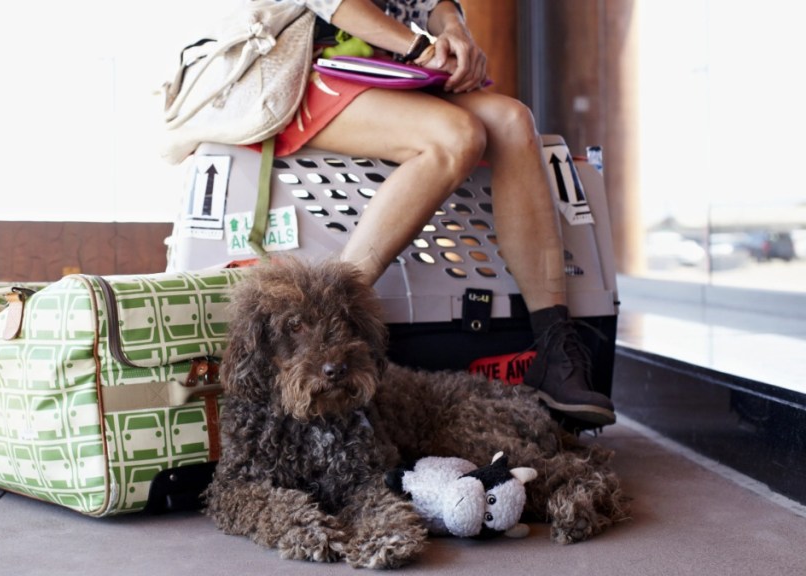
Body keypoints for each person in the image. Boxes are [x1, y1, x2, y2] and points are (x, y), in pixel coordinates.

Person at [253, 0, 616, 427]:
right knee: (456, 137)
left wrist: (455, 29)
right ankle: (328, 322)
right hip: (291, 68)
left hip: (377, 67)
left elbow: (426, 3)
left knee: (514, 120)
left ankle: (554, 347)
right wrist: (421, 47)